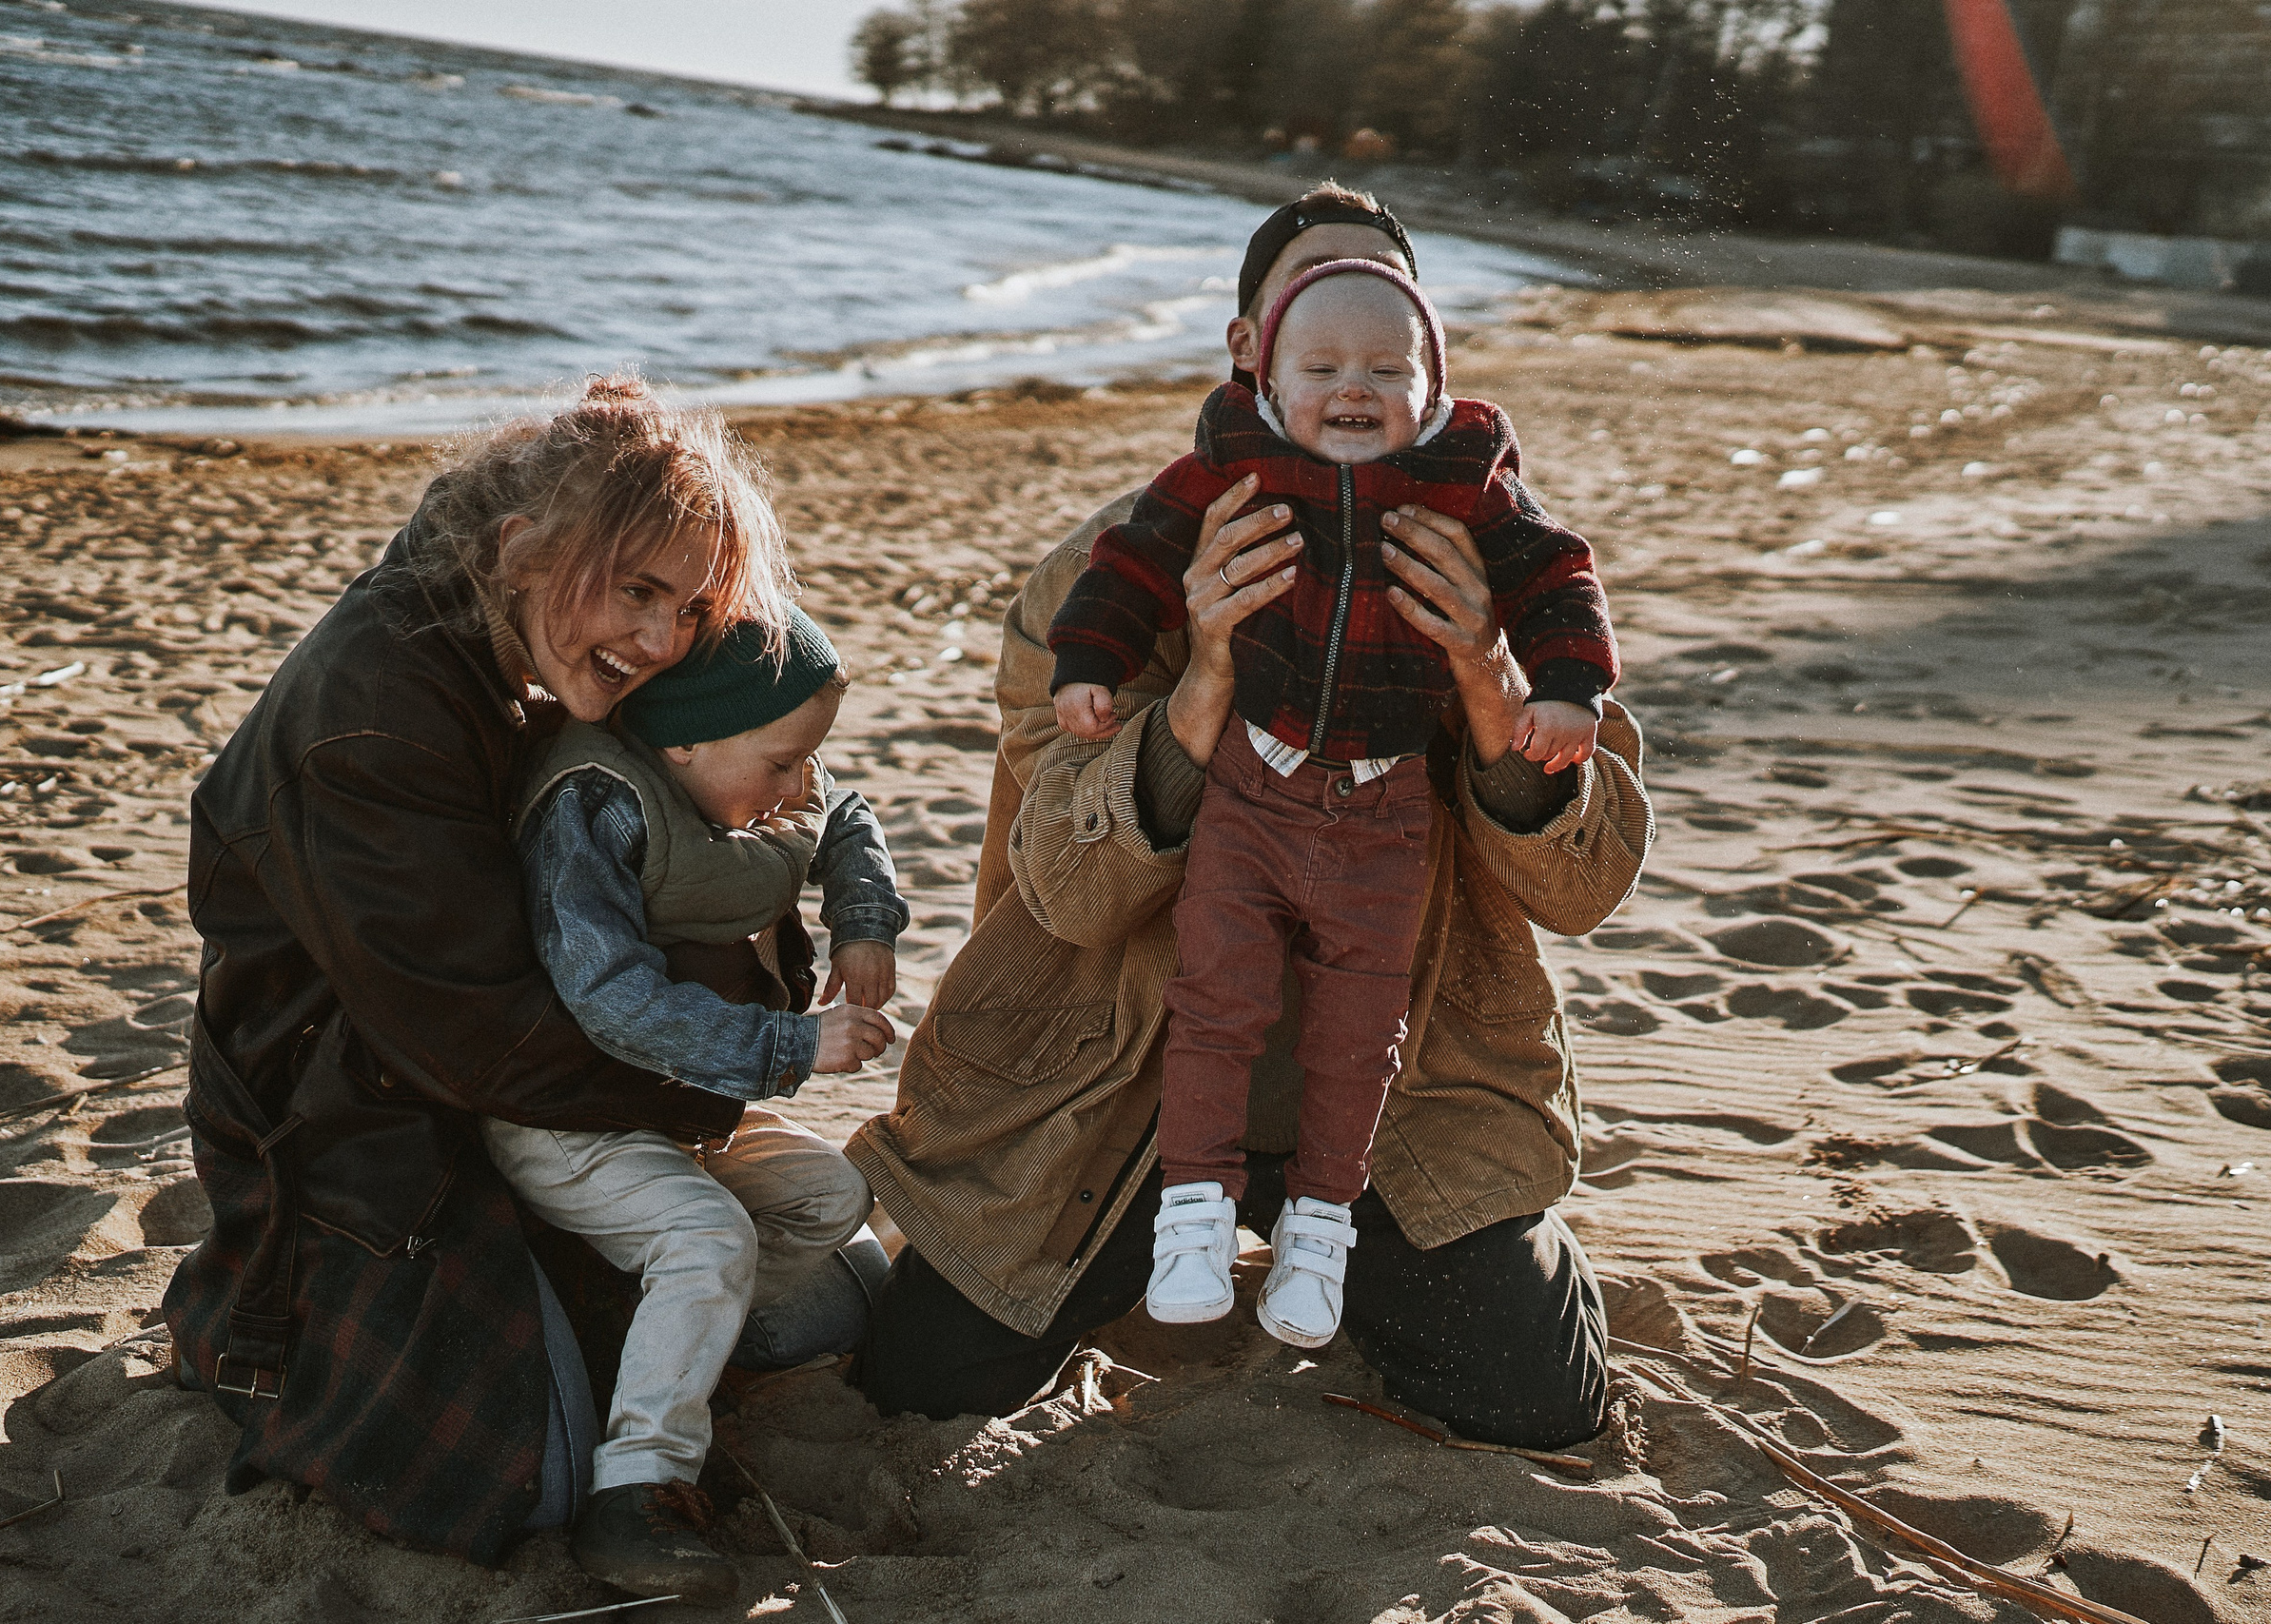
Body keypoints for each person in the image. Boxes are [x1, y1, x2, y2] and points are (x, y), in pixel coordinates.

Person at [847, 186, 1653, 1448]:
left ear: (1425, 357)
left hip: (1410, 1085)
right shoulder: (1105, 570)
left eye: (1385, 314)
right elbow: (1069, 889)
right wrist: (1205, 680)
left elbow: (1585, 886)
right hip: (1123, 1088)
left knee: (1537, 1403)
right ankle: (1165, 1253)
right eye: (1317, 308)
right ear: (1252, 350)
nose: (1352, 346)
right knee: (920, 1379)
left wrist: (1495, 688)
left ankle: (1366, 1262)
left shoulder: (1498, 550)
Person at [162, 380, 871, 1568]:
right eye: (636, 591)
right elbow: (475, 1040)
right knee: (517, 1481)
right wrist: (711, 1074)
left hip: (520, 1093)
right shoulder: (375, 717)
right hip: (359, 1127)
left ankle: (606, 1302)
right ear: (520, 550)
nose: (659, 643)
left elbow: (775, 803)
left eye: (689, 606)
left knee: (832, 1303)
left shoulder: (510, 644)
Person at [1044, 256, 1616, 1348]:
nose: (1352, 385)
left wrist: (1543, 683)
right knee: (1211, 1000)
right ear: (1252, 356)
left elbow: (1557, 575)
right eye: (1320, 360)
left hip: (1383, 806)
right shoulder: (1218, 471)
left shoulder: (1471, 487)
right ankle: (1194, 1212)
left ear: (1433, 388)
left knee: (1365, 1033)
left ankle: (1321, 1227)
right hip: (1251, 792)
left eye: (1385, 366)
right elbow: (1127, 566)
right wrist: (1102, 662)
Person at [486, 605, 901, 1602]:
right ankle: (637, 1490)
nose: (798, 782)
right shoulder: (595, 809)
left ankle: (675, 1353)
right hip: (569, 1114)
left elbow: (840, 813)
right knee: (709, 1238)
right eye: (781, 762)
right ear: (683, 742)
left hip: (685, 1110)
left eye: (807, 757)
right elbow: (610, 1001)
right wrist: (791, 1044)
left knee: (828, 1198)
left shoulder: (745, 773)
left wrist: (864, 920)